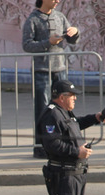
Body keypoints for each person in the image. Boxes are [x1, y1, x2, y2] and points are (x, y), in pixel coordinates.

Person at [22, 0, 78, 158]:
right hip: (42, 71)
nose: (57, 1)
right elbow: (26, 45)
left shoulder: (60, 17)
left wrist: (74, 32)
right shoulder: (33, 19)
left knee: (65, 108)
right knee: (43, 110)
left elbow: (72, 39)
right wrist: (48, 43)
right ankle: (41, 147)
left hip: (60, 69)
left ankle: (67, 144)